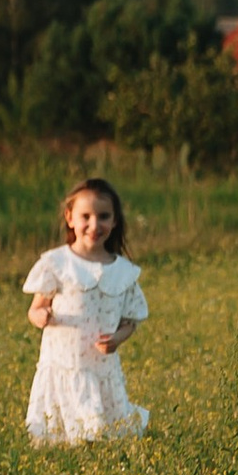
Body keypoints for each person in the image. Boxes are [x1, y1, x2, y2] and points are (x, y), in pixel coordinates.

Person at [24, 176, 150, 447]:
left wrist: (117, 339)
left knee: (102, 434)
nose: (95, 225)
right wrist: (40, 317)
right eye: (86, 216)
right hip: (63, 363)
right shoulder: (58, 264)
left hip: (100, 368)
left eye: (103, 216)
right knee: (62, 436)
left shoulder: (123, 271)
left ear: (115, 221)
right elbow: (36, 308)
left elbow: (131, 320)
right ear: (70, 218)